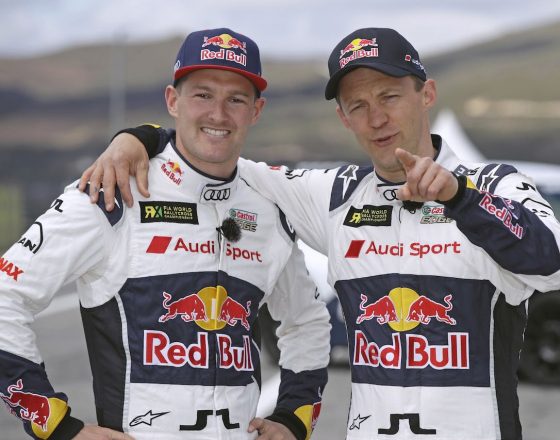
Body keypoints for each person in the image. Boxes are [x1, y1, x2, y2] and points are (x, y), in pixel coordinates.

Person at [80, 27, 560, 440]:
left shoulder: (494, 184)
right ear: (342, 117)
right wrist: (139, 137)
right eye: (357, 105)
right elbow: (211, 146)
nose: (376, 118)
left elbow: (556, 265)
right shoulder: (333, 195)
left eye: (389, 97)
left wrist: (459, 197)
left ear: (426, 93)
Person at [0, 27, 331, 440]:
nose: (218, 114)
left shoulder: (268, 206)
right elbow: (6, 295)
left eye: (236, 99)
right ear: (173, 101)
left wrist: (294, 417)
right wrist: (56, 425)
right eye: (203, 95)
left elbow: (306, 322)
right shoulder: (112, 191)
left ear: (256, 110)